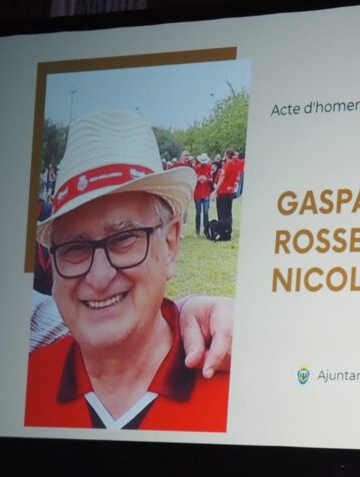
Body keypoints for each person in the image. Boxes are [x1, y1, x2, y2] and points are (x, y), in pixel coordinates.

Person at [25, 110, 232, 431]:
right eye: (75, 247)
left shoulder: (236, 391)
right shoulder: (22, 383)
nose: (99, 277)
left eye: (124, 239)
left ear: (170, 243)